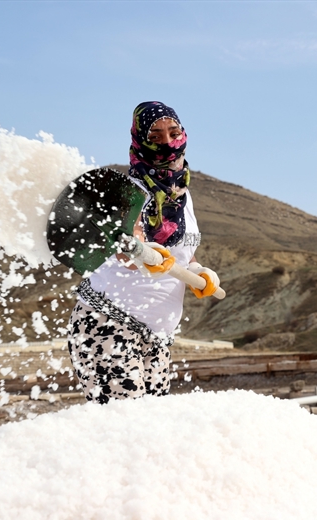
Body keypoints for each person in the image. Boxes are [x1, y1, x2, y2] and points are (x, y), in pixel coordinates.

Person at [66, 101, 220, 404]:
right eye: (155, 135)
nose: (167, 142)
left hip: (157, 339)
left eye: (173, 132)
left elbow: (185, 253)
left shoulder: (182, 196)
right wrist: (144, 253)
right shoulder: (126, 191)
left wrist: (198, 272)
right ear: (140, 140)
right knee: (124, 431)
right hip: (109, 329)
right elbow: (128, 248)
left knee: (151, 433)